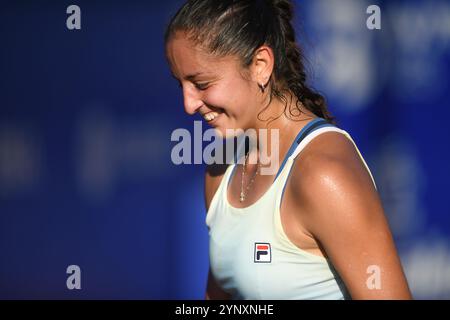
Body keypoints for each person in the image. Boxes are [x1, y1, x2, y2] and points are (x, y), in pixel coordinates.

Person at [165, 0, 412, 299]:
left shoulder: (323, 175)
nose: (188, 105)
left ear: (260, 66)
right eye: (182, 86)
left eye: (201, 83)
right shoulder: (221, 169)